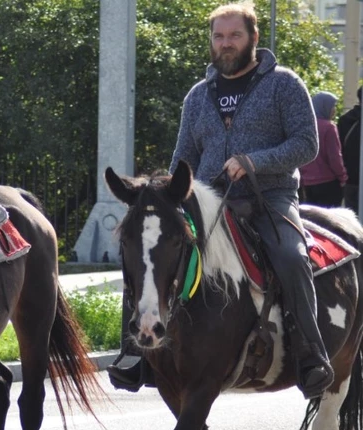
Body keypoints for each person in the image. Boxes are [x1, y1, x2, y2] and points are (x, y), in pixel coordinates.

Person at [108, 3, 334, 400]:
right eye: (218, 36)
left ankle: (310, 356)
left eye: (234, 36)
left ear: (253, 38)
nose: (226, 43)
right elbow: (184, 158)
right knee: (150, 252)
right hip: (207, 201)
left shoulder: (284, 84)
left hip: (270, 199)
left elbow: (306, 144)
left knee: (290, 257)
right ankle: (138, 352)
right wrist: (165, 194)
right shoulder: (198, 96)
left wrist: (254, 162)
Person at [299, 92, 347, 208]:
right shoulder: (329, 127)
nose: (334, 110)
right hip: (328, 183)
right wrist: (342, 177)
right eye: (332, 106)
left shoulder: (304, 125)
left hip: (307, 183)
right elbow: (334, 157)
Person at [338, 86, 361, 215]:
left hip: (349, 176)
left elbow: (338, 149)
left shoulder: (345, 120)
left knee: (352, 215)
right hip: (352, 177)